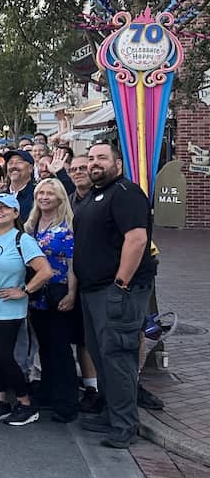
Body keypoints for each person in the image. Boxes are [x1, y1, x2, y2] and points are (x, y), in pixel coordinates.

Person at [74, 143, 158, 449]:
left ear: (117, 164)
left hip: (118, 290)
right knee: (101, 356)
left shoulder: (126, 193)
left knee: (118, 356)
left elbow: (136, 240)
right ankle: (111, 412)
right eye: (91, 159)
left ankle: (125, 423)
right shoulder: (94, 197)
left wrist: (120, 284)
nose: (95, 164)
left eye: (102, 158)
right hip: (92, 290)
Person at [0, 193, 53, 426]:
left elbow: (45, 271)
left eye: (5, 208)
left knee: (5, 357)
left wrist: (24, 290)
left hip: (8, 310)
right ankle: (1, 401)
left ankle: (26, 404)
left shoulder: (21, 239)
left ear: (15, 213)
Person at [26, 178, 80, 423]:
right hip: (38, 295)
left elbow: (72, 265)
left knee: (60, 348)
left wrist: (71, 293)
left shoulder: (66, 226)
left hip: (59, 292)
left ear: (60, 197)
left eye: (50, 193)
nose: (44, 197)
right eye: (41, 193)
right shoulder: (32, 224)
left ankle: (67, 403)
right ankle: (47, 392)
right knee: (44, 346)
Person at [5, 150, 36, 217]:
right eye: (10, 163)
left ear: (30, 168)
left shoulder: (37, 194)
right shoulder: (0, 196)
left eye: (19, 162)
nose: (13, 166)